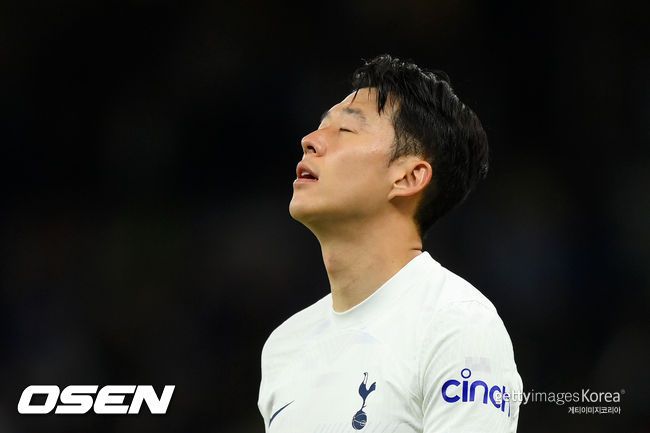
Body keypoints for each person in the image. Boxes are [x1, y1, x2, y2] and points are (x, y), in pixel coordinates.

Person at [258, 54, 522, 432]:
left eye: (346, 130)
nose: (310, 140)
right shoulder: (285, 346)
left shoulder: (457, 325)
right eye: (320, 127)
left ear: (408, 177)